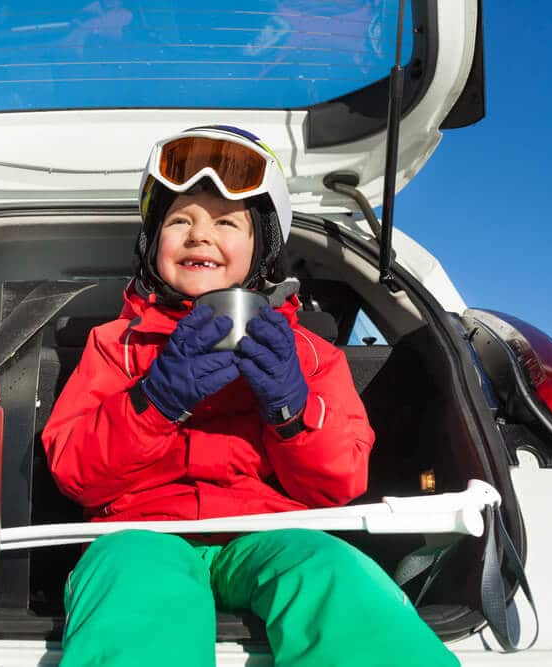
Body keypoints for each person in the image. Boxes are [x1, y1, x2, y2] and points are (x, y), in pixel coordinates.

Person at [41, 126, 458, 666]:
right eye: (179, 220)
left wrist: (291, 411)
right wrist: (154, 401)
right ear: (151, 242)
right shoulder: (114, 345)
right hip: (141, 532)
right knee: (130, 583)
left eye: (225, 221)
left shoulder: (309, 356)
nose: (199, 235)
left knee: (334, 573)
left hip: (274, 533)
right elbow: (76, 473)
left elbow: (341, 482)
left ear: (263, 247)